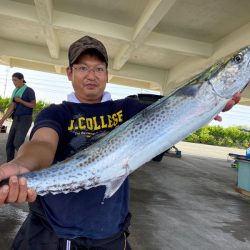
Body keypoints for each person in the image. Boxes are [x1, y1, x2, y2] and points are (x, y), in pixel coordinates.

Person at [0, 36, 241, 250]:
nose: (91, 75)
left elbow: (172, 120)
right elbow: (42, 144)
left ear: (107, 73)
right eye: (82, 67)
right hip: (51, 234)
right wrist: (23, 165)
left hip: (109, 235)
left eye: (99, 68)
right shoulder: (57, 113)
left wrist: (209, 107)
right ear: (69, 73)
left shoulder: (128, 109)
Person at [0, 72, 36, 162]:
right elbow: (12, 107)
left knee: (17, 143)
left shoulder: (29, 90)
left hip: (25, 119)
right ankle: (10, 164)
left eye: (15, 80)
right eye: (13, 80)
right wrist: (2, 120)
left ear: (22, 80)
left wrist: (21, 100)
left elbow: (33, 105)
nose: (14, 82)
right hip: (16, 118)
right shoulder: (15, 91)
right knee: (9, 144)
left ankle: (26, 162)